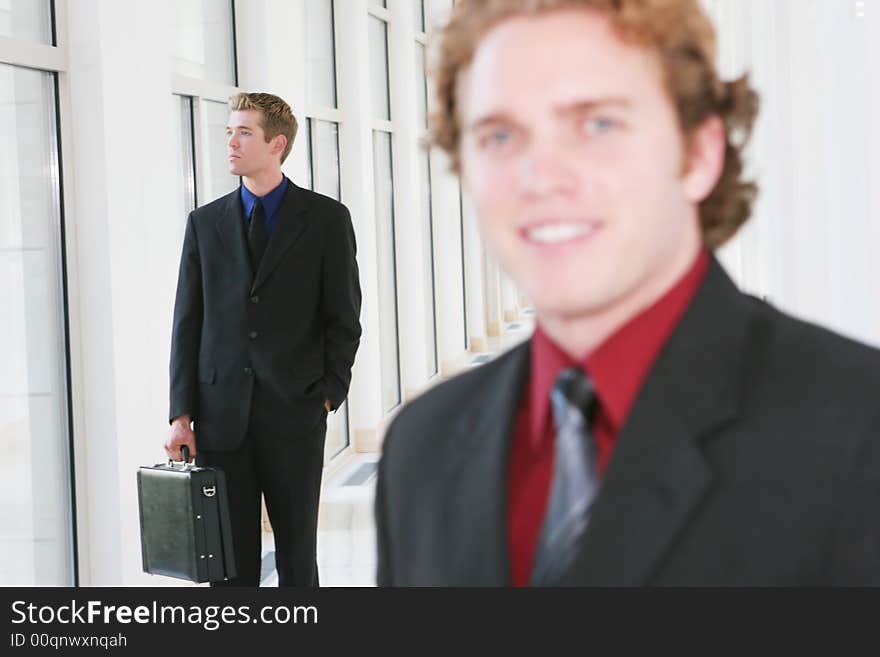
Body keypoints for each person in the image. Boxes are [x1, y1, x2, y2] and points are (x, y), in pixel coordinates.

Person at [375, 0, 880, 586]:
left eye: (598, 124)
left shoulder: (858, 430)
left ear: (699, 154)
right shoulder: (422, 448)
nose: (539, 177)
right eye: (500, 135)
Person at [166, 92, 361, 587]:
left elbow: (344, 318)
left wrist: (327, 396)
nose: (230, 141)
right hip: (220, 416)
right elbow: (187, 323)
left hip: (295, 414)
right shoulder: (204, 224)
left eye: (244, 132)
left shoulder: (325, 220)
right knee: (228, 564)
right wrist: (180, 413)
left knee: (298, 558)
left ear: (277, 144)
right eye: (229, 131)